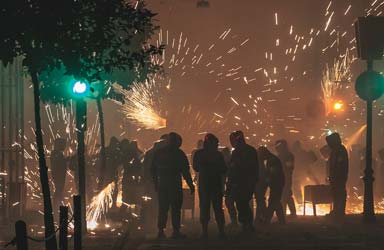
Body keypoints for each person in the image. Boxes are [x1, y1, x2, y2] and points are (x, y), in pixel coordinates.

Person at [151, 132, 195, 239]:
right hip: (174, 186)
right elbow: (185, 172)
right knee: (175, 209)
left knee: (163, 209)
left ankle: (161, 231)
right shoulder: (179, 154)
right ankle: (175, 231)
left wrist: (156, 183)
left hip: (163, 185)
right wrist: (190, 185)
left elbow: (152, 169)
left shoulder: (159, 153)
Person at [193, 133, 227, 239]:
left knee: (204, 207)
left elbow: (196, 168)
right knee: (217, 208)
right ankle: (221, 232)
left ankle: (205, 232)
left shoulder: (199, 154)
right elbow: (223, 169)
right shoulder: (218, 155)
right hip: (215, 184)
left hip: (204, 184)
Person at [227, 131, 259, 232]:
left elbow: (236, 168)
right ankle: (246, 225)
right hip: (245, 182)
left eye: (232, 140)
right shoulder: (249, 150)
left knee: (242, 203)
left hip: (243, 182)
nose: (231, 142)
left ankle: (247, 225)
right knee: (243, 203)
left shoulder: (240, 152)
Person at [141, 134, 169, 232]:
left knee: (151, 204)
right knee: (159, 205)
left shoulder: (149, 152)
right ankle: (157, 226)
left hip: (151, 183)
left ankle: (150, 225)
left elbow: (144, 168)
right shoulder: (164, 153)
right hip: (157, 183)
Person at [258, 146, 285, 224]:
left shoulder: (272, 160)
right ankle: (281, 220)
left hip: (277, 183)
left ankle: (267, 219)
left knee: (273, 201)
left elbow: (274, 173)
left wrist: (267, 180)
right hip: (277, 183)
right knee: (276, 201)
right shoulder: (271, 159)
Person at [326, 132, 348, 221]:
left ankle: (340, 212)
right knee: (335, 195)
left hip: (339, 177)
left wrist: (336, 176)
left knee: (340, 194)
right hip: (334, 177)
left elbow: (339, 165)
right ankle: (336, 211)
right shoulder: (335, 151)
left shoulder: (341, 150)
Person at [275, 139, 297, 217]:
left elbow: (289, 167)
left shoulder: (288, 156)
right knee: (285, 195)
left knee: (286, 195)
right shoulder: (280, 156)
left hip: (286, 178)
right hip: (281, 178)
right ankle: (288, 213)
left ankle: (287, 213)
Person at [222, 147, 238, 226]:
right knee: (230, 203)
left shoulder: (230, 163)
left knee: (229, 202)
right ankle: (235, 221)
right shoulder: (230, 163)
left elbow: (225, 176)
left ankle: (235, 222)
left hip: (233, 185)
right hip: (232, 185)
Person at [51, 138, 68, 210]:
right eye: (63, 145)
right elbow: (58, 164)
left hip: (59, 175)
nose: (64, 146)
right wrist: (66, 160)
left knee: (59, 190)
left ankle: (58, 206)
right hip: (58, 175)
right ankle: (57, 207)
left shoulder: (57, 153)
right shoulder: (56, 154)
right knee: (59, 190)